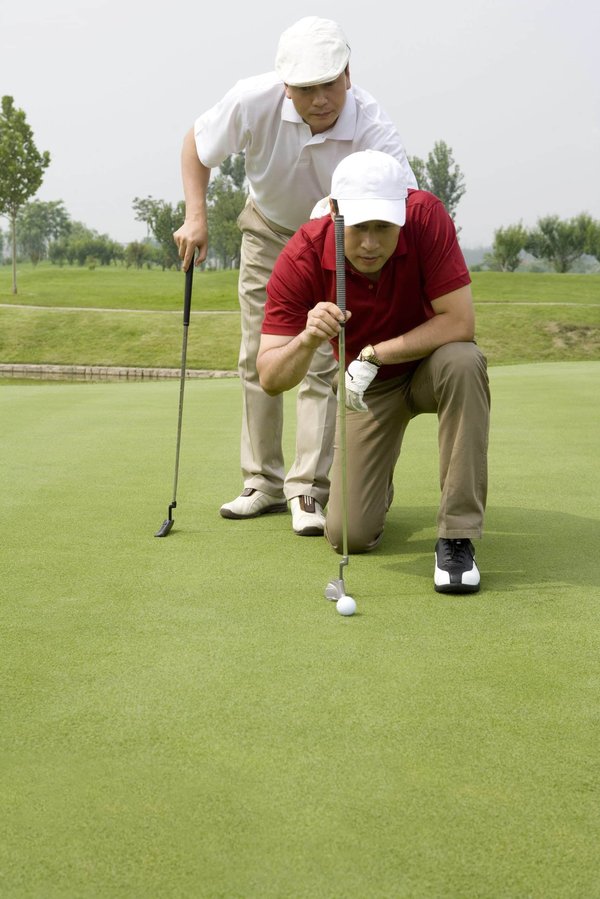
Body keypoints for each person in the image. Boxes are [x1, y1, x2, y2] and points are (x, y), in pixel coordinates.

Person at [173, 16, 417, 537]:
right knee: (256, 355)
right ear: (286, 87)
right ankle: (261, 482)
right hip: (267, 230)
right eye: (306, 89)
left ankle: (308, 489)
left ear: (347, 75)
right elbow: (197, 144)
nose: (320, 98)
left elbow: (405, 201)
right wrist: (196, 215)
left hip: (335, 240)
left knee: (322, 355)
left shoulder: (374, 125)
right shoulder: (251, 99)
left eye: (329, 83)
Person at [257, 150, 490, 594]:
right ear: (335, 211)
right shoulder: (303, 254)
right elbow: (269, 377)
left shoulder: (426, 217)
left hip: (427, 368)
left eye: (383, 226)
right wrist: (307, 339)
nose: (370, 243)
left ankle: (456, 535)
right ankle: (375, 486)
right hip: (368, 393)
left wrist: (372, 354)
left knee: (464, 361)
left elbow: (460, 323)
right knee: (349, 535)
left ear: (402, 213)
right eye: (360, 227)